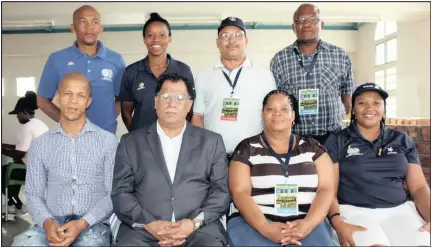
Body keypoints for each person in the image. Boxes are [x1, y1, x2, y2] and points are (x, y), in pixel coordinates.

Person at [112, 73, 230, 246]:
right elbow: (121, 192)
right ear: (155, 102)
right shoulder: (130, 142)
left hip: (198, 230)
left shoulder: (212, 141)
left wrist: (193, 223)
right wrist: (149, 223)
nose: (171, 104)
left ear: (189, 105)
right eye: (165, 97)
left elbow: (221, 191)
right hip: (145, 230)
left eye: (179, 98)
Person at [12, 72, 118, 246]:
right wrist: (46, 221)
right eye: (68, 94)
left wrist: (84, 222)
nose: (73, 101)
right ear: (58, 98)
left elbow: (114, 194)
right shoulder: (41, 144)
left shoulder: (108, 141)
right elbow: (33, 194)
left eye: (81, 95)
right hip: (51, 223)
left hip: (93, 225)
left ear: (88, 102)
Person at [325, 82, 430, 246]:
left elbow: (418, 187)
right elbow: (328, 189)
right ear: (353, 108)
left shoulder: (401, 139)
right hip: (355, 210)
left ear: (384, 108)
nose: (369, 108)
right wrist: (337, 222)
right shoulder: (338, 139)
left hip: (400, 211)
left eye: (376, 103)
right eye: (362, 103)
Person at [227, 90, 335, 246]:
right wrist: (264, 226)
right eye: (270, 109)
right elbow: (239, 191)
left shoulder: (313, 147)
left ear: (293, 116)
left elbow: (326, 188)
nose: (277, 113)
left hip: (307, 221)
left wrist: (308, 224)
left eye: (284, 109)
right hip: (254, 223)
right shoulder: (246, 148)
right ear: (262, 115)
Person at [191, 16, 276, 157]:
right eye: (225, 36)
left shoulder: (264, 75)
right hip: (214, 156)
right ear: (217, 42)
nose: (231, 40)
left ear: (246, 41)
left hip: (254, 154)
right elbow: (198, 117)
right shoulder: (204, 75)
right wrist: (198, 153)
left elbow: (272, 116)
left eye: (238, 35)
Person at [270, 3, 355, 144]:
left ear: (321, 24)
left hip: (333, 138)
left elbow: (347, 100)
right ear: (293, 27)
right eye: (301, 20)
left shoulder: (340, 56)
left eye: (312, 19)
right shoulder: (280, 59)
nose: (307, 24)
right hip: (294, 139)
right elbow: (275, 102)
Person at [37, 5, 126, 134]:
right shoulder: (57, 59)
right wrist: (67, 121)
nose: (89, 27)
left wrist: (109, 119)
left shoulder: (116, 60)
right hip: (71, 137)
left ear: (100, 28)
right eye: (83, 22)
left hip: (106, 135)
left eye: (95, 22)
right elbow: (42, 101)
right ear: (73, 28)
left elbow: (122, 99)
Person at [120, 13, 194, 132]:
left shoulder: (183, 70)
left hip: (174, 140)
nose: (156, 39)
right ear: (144, 39)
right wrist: (135, 137)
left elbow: (190, 110)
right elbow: (126, 111)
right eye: (150, 35)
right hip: (141, 142)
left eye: (162, 35)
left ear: (169, 38)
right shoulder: (132, 72)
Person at [2, 91, 49, 215]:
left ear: (24, 112)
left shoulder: (27, 127)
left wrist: (2, 150)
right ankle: (12, 204)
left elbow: (20, 153)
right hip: (44, 169)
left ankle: (17, 204)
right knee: (12, 166)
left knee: (4, 172)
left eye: (18, 114)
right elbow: (24, 147)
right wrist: (5, 146)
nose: (17, 118)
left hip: (32, 172)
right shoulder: (39, 124)